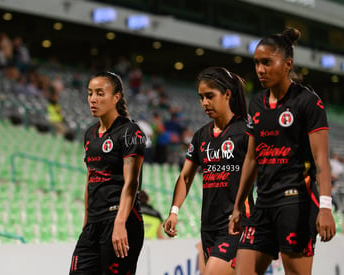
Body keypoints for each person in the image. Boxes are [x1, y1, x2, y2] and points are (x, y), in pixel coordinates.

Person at [229, 27, 336, 275]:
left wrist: (326, 207)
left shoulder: (308, 101)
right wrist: (238, 206)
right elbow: (251, 158)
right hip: (262, 205)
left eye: (267, 62)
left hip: (295, 202)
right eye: (257, 63)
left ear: (287, 64)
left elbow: (322, 159)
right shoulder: (256, 103)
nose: (260, 70)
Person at [163, 66, 252, 275]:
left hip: (237, 224)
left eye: (210, 96)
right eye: (201, 97)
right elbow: (185, 177)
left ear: (227, 94)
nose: (204, 103)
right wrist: (174, 211)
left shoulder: (246, 132)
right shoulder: (201, 136)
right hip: (208, 226)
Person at [70, 71, 146, 275]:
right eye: (90, 93)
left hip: (122, 220)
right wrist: (87, 223)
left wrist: (120, 223)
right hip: (94, 223)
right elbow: (90, 179)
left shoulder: (131, 132)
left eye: (100, 93)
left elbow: (132, 183)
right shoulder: (89, 134)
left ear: (116, 97)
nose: (93, 99)